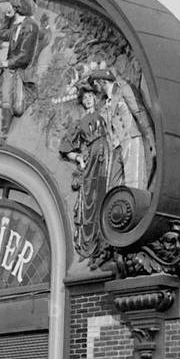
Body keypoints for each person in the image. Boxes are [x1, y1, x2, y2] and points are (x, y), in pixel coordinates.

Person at [59, 82, 112, 265]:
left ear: (95, 99)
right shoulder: (79, 123)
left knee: (104, 192)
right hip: (90, 158)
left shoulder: (105, 112)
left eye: (90, 97)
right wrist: (79, 159)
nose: (88, 100)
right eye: (85, 98)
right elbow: (66, 147)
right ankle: (89, 244)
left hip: (105, 154)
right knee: (89, 198)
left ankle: (105, 241)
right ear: (82, 102)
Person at [0, 0, 39, 144]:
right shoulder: (15, 25)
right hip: (11, 70)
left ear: (16, 8)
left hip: (22, 70)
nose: (9, 10)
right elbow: (2, 35)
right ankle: (4, 132)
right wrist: (7, 20)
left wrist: (6, 63)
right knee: (6, 101)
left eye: (11, 8)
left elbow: (25, 55)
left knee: (18, 108)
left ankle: (27, 95)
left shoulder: (30, 26)